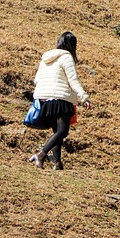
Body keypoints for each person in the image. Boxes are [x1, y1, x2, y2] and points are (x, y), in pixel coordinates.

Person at [28, 31, 91, 170]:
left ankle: (58, 164)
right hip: (61, 99)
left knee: (57, 132)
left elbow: (37, 80)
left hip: (44, 99)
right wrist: (84, 97)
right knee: (62, 131)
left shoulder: (46, 58)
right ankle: (41, 154)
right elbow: (73, 80)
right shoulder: (67, 57)